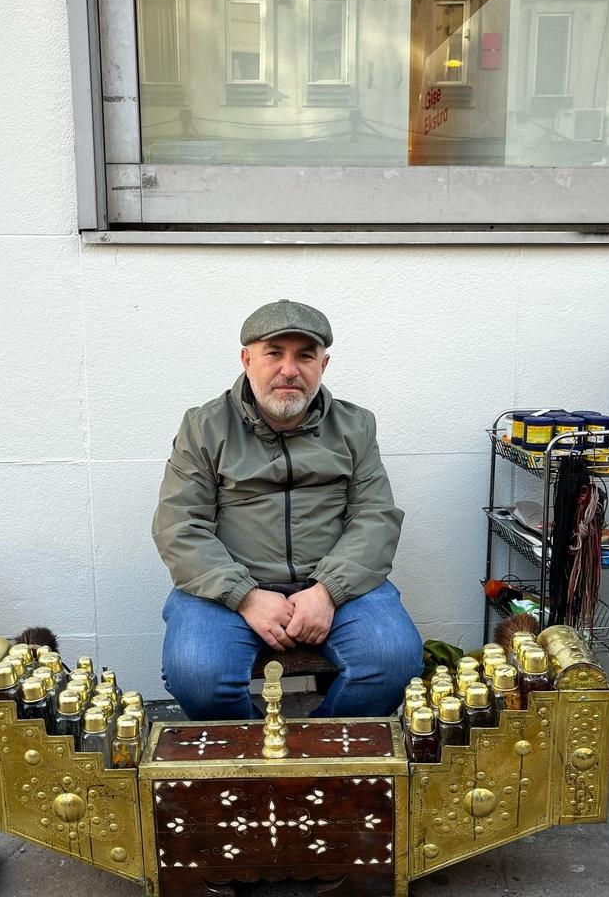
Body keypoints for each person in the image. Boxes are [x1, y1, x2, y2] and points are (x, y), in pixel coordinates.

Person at [152, 299, 423, 720]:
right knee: (198, 676)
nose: (289, 370)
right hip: (229, 587)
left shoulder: (355, 426)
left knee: (393, 661)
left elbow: (376, 517)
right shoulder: (204, 427)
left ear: (324, 365)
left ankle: (317, 752)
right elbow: (178, 525)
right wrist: (245, 596)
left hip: (336, 584)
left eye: (305, 356)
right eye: (274, 353)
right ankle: (255, 758)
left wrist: (328, 590)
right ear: (247, 359)